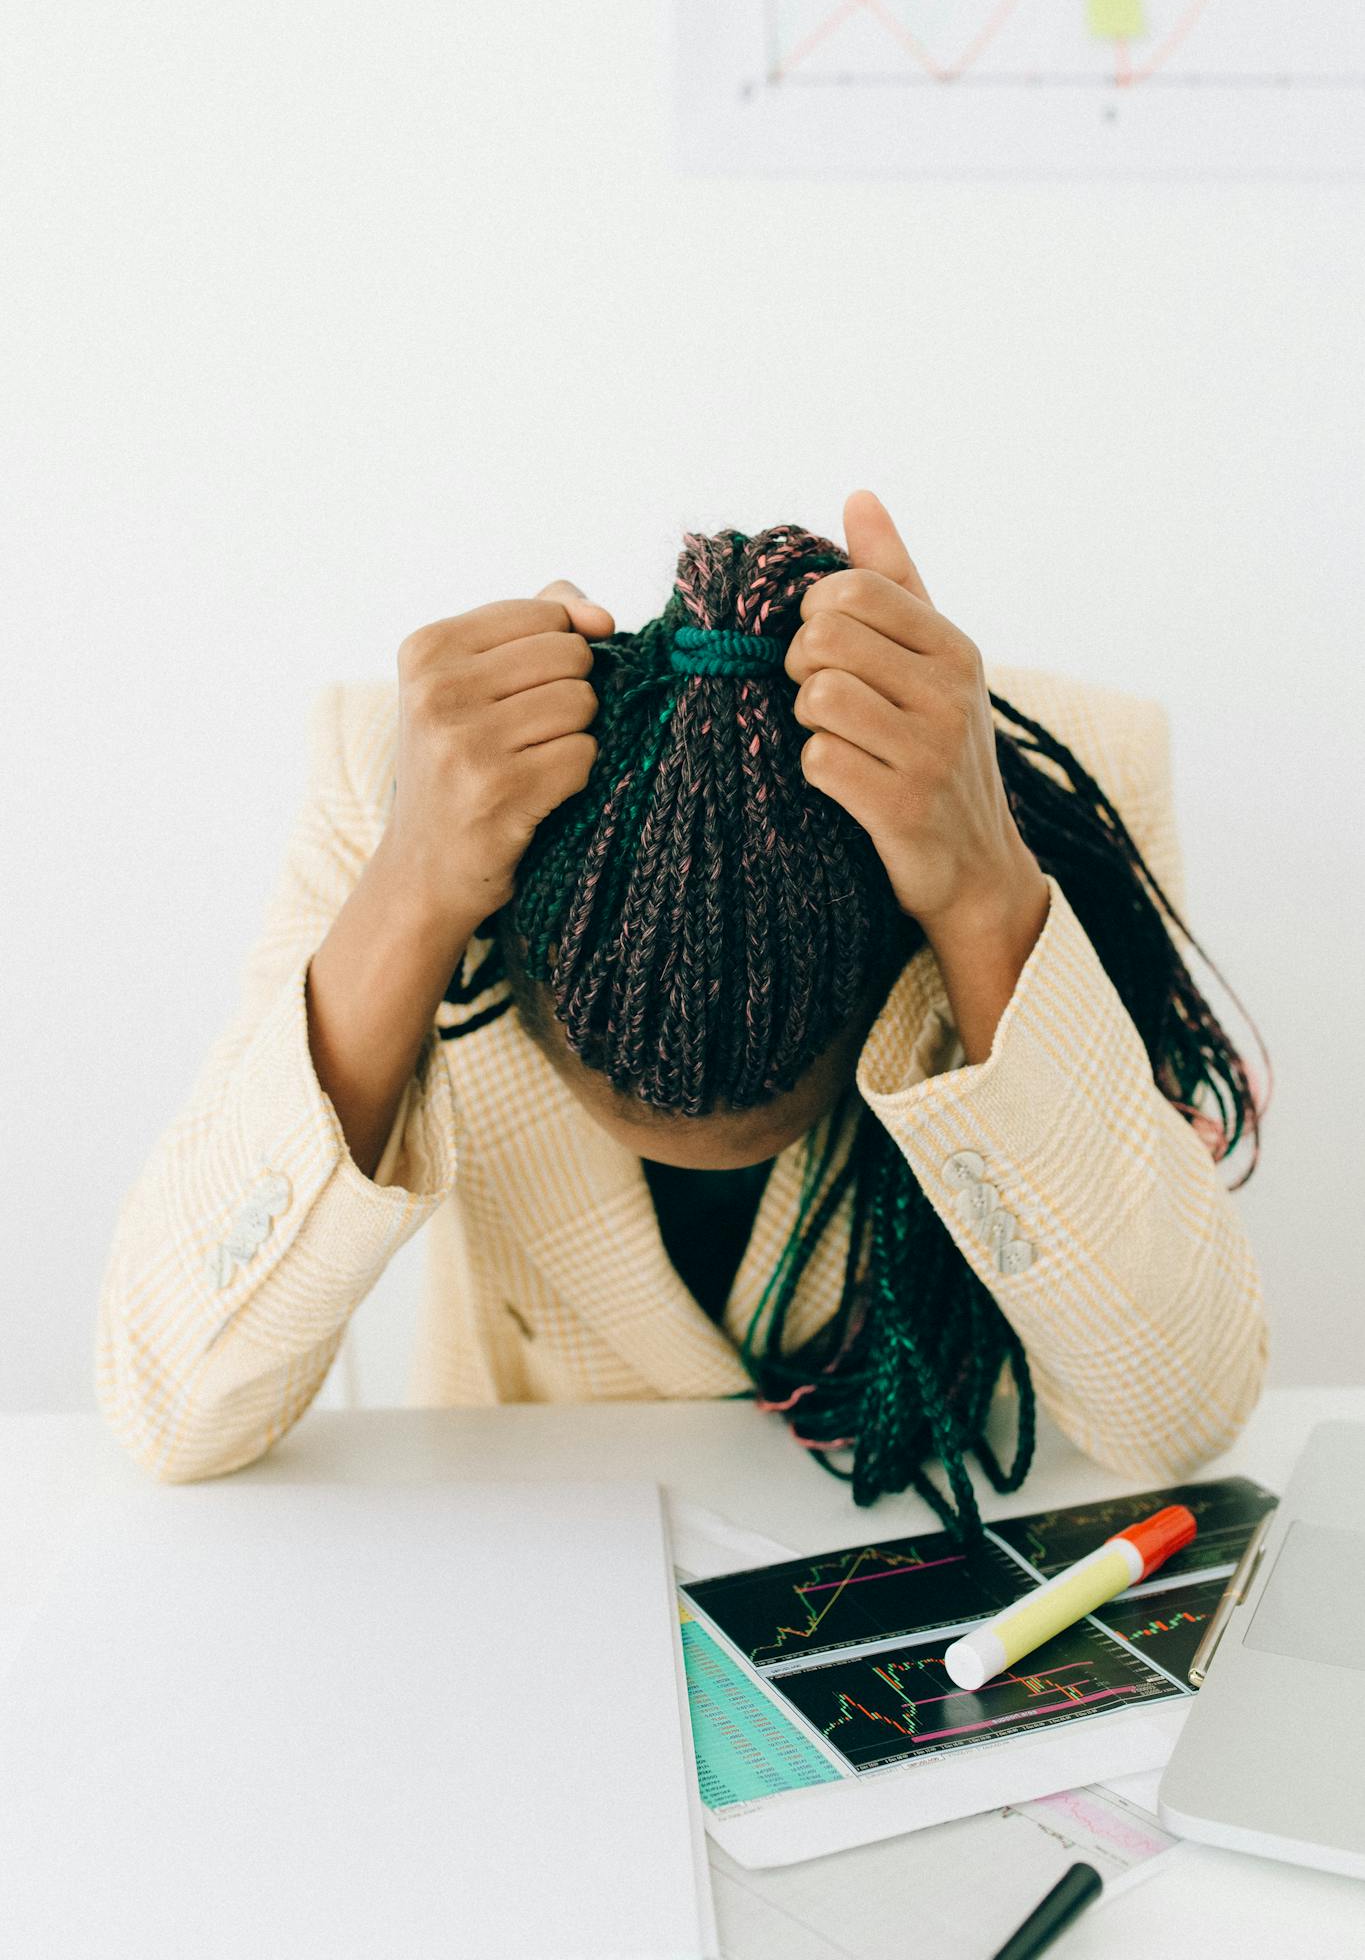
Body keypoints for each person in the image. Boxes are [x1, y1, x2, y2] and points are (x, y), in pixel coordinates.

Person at [94, 491, 1269, 1536]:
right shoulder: (396, 781)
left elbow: (1179, 1422)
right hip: (522, 1567)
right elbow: (169, 1410)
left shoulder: (1068, 787)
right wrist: (409, 888)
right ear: (505, 943)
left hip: (913, 1547)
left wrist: (985, 897)